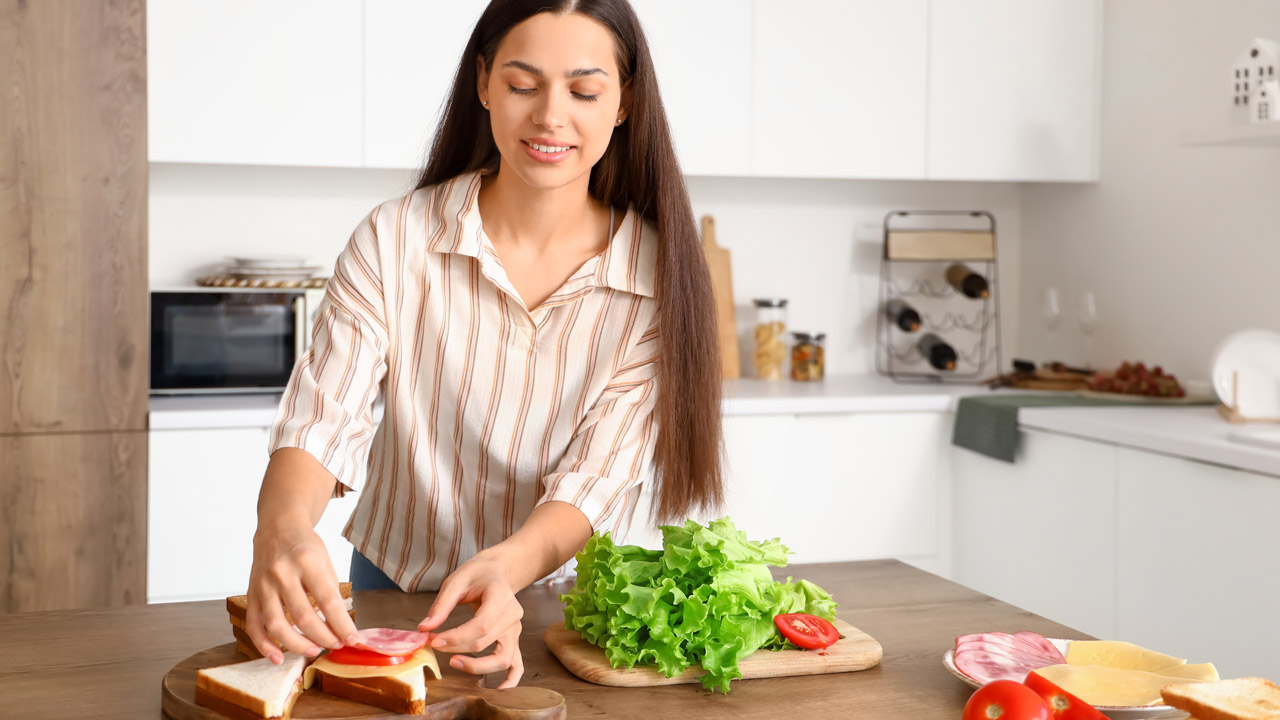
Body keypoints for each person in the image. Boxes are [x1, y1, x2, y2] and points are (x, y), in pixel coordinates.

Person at [245, 0, 724, 690]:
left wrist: (508, 567)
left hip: (558, 608)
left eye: (584, 91)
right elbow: (325, 416)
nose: (551, 116)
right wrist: (282, 527)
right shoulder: (395, 238)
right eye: (523, 84)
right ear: (484, 84)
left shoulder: (657, 277)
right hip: (392, 585)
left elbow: (596, 477)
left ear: (623, 103)